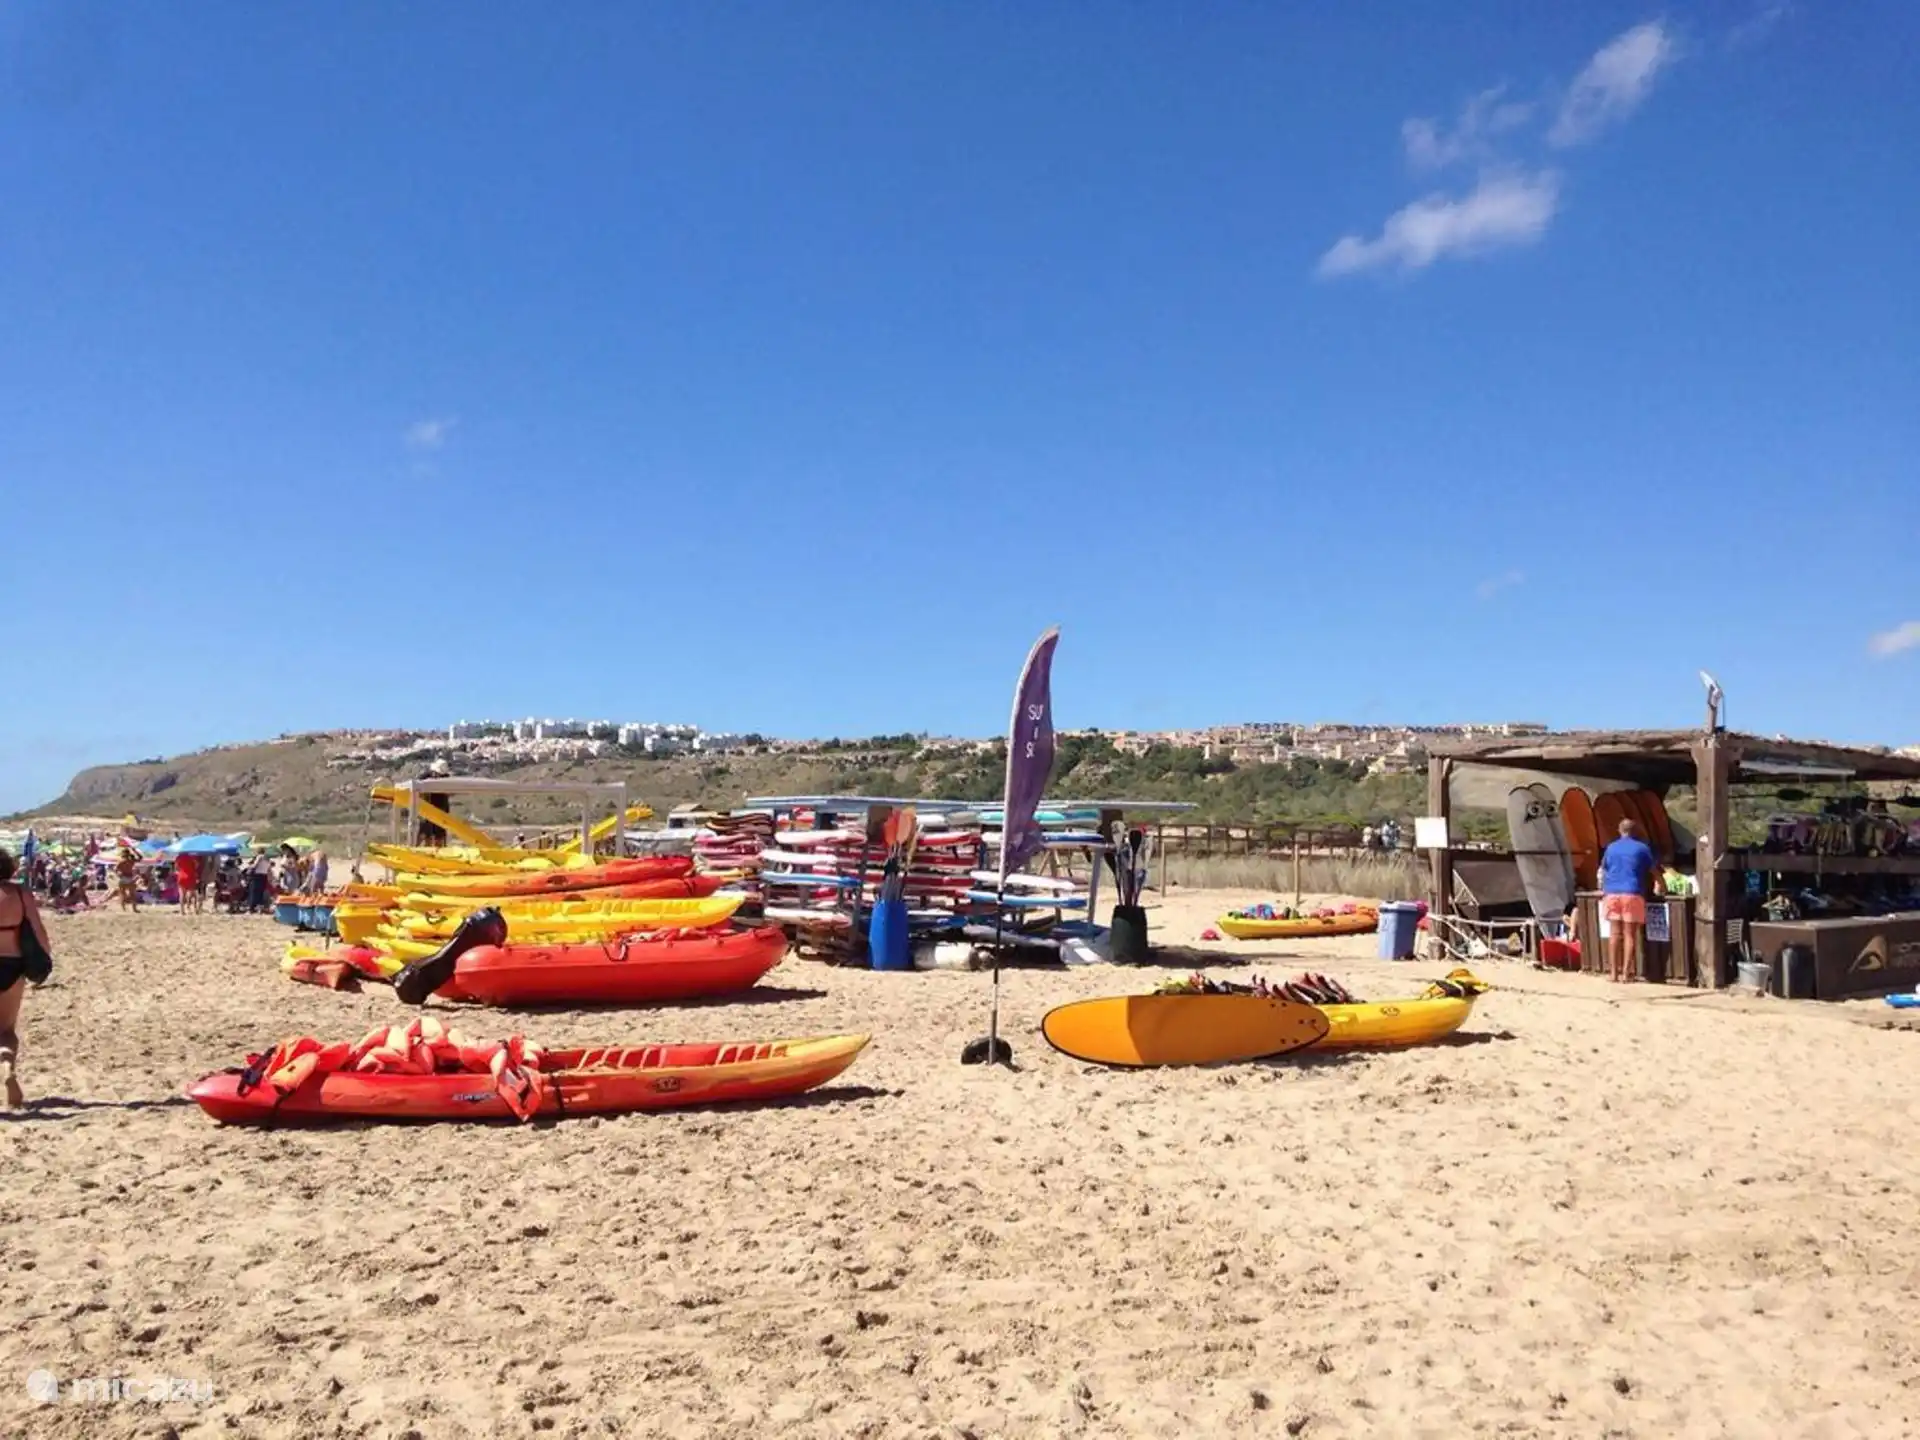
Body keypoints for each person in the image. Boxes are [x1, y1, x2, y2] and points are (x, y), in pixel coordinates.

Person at [0, 850, 53, 1108]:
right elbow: (37, 929)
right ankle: (7, 1068)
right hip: (13, 964)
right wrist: (46, 957)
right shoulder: (20, 893)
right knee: (6, 1029)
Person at [1598, 818, 1657, 984]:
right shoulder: (1642, 848)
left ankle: (1613, 974)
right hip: (1632, 892)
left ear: (1619, 830)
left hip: (1612, 893)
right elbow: (1653, 871)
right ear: (1635, 831)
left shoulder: (1611, 848)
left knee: (1614, 934)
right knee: (1629, 934)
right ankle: (1626, 974)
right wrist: (1663, 886)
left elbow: (1604, 869)